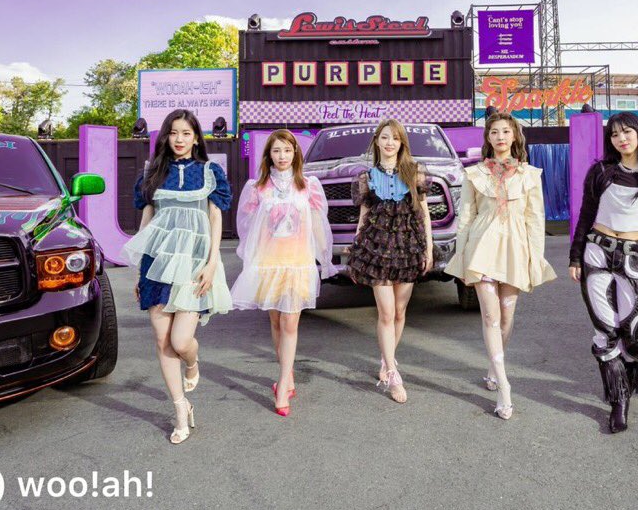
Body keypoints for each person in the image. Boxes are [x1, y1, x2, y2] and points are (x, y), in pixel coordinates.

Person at [122, 109, 233, 444]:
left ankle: (192, 362)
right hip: (157, 263)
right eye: (173, 133)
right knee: (162, 340)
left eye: (186, 133)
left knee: (181, 341)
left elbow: (215, 219)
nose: (179, 139)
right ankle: (181, 409)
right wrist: (140, 272)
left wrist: (212, 264)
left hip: (194, 264)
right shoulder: (152, 173)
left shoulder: (210, 173)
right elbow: (147, 222)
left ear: (196, 137)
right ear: (166, 137)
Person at [445, 112, 556, 419]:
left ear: (515, 136)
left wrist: (536, 257)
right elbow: (466, 217)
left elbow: (536, 219)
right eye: (494, 132)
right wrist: (462, 255)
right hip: (482, 248)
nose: (500, 137)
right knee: (491, 317)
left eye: (506, 131)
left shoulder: (530, 175)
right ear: (488, 138)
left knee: (507, 317)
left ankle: (494, 367)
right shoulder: (475, 174)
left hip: (516, 249)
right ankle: (504, 388)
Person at [568, 111, 638, 433]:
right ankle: (619, 399)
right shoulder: (601, 171)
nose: (621, 139)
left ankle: (630, 373)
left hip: (636, 258)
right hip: (596, 253)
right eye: (614, 134)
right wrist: (575, 258)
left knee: (633, 332)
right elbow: (586, 214)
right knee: (605, 330)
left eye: (627, 132)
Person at [231, 130, 337, 417]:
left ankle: (282, 386)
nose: (282, 156)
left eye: (287, 151)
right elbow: (247, 226)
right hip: (269, 263)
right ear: (269, 154)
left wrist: (324, 259)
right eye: (276, 151)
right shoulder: (257, 187)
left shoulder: (308, 186)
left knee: (290, 323)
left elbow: (319, 224)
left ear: (295, 154)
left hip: (297, 262)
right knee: (276, 321)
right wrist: (249, 259)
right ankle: (286, 374)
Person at [349, 118, 433, 404]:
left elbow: (424, 214)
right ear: (377, 141)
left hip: (408, 248)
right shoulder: (367, 177)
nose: (389, 143)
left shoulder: (414, 172)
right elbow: (363, 218)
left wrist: (428, 250)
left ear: (401, 143)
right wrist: (357, 251)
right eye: (385, 137)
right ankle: (394, 376)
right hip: (377, 249)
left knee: (399, 311)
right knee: (385, 313)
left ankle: (387, 360)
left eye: (395, 138)